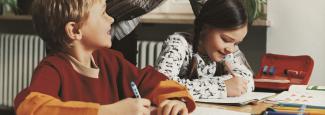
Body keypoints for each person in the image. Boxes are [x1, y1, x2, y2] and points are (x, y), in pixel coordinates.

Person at [14, 0, 196, 115]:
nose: (111, 19)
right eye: (103, 12)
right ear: (75, 30)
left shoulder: (110, 60)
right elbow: (30, 107)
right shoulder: (52, 69)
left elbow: (149, 79)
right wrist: (106, 112)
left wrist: (172, 101)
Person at [155, 0, 254, 99]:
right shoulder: (179, 43)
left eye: (236, 43)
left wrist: (232, 85)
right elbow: (163, 84)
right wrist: (222, 87)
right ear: (204, 28)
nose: (231, 49)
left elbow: (247, 81)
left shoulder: (227, 51)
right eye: (226, 39)